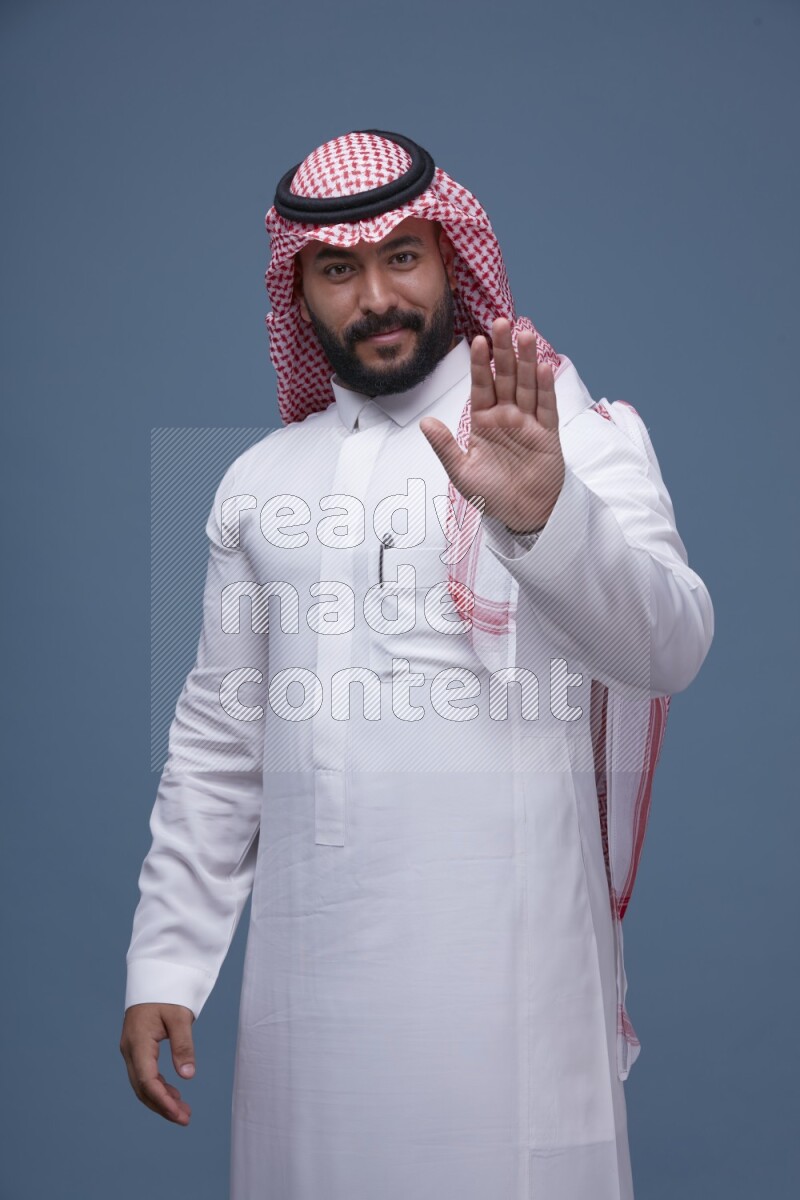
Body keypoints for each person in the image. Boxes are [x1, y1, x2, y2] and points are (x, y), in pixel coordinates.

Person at [120, 129, 714, 1199]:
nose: (376, 295)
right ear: (297, 292)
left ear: (450, 259)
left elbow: (670, 644)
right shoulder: (258, 480)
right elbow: (217, 738)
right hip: (309, 1010)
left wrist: (543, 515)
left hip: (508, 998)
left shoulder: (558, 426)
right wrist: (165, 960)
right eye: (338, 270)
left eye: (403, 257)